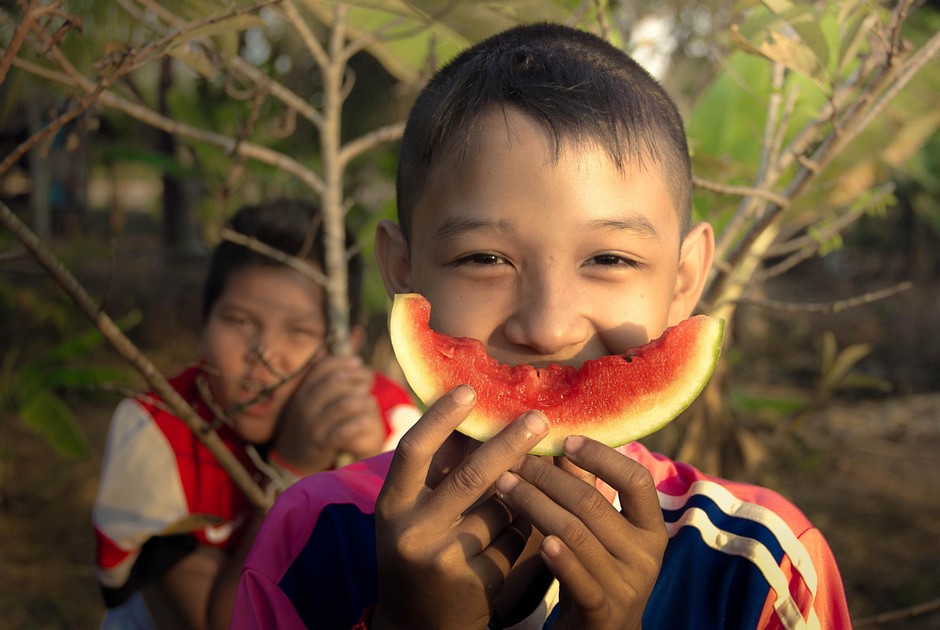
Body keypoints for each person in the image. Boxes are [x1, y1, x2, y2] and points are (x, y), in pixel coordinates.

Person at [233, 23, 851, 629]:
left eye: (610, 259)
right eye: (485, 259)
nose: (549, 328)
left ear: (685, 279)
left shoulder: (763, 566)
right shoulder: (309, 533)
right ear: (403, 269)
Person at [92, 199, 420, 629]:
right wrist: (292, 469)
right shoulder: (157, 435)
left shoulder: (391, 425)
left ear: (347, 346)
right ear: (202, 323)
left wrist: (361, 478)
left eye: (300, 331)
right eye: (240, 321)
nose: (265, 357)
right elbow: (222, 622)